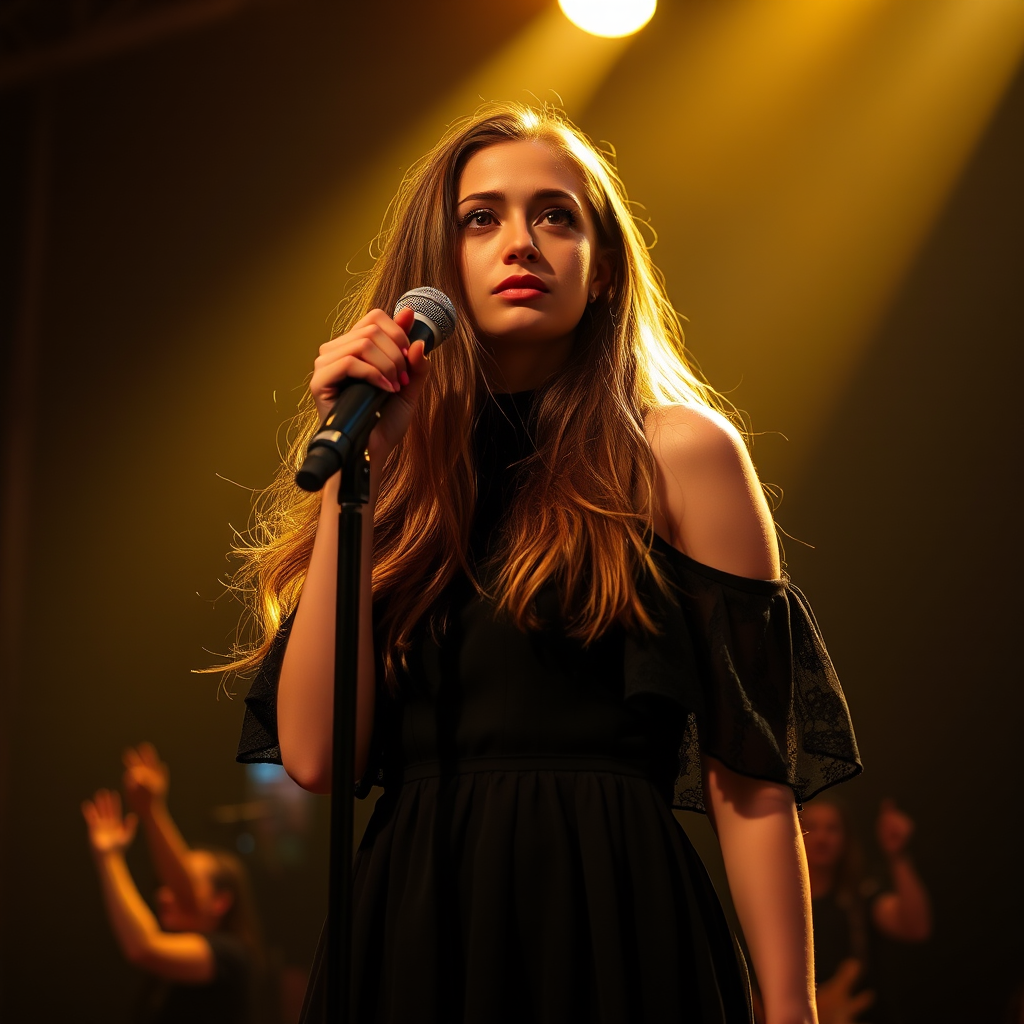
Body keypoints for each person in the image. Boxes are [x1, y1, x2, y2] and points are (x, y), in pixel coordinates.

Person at [228, 102, 862, 1023]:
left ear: (602, 270)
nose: (520, 242)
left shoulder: (681, 455)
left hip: (615, 916)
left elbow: (752, 775)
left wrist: (791, 1011)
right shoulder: (390, 476)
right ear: (436, 269)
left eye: (556, 216)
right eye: (481, 218)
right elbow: (317, 756)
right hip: (417, 928)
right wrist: (352, 479)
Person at [83, 743, 262, 1023]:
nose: (165, 894)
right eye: (166, 883)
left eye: (184, 881)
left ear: (221, 901)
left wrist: (111, 857)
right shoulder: (176, 956)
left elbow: (143, 947)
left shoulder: (230, 955)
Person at [801, 797, 932, 1024]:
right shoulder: (777, 907)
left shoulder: (860, 899)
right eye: (811, 827)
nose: (822, 838)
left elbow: (915, 927)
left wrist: (897, 855)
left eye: (832, 828)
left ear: (846, 839)